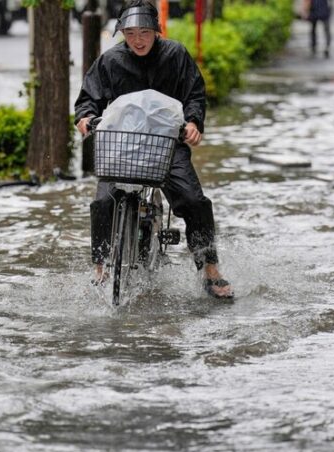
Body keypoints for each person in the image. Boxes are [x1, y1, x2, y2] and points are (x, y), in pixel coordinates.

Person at [74, 0, 233, 299]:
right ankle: (100, 267)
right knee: (103, 201)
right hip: (122, 145)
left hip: (166, 144)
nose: (138, 39)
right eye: (130, 33)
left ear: (156, 31)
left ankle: (210, 268)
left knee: (194, 200)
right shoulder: (110, 60)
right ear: (122, 33)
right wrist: (85, 117)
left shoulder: (176, 55)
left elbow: (194, 94)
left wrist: (193, 122)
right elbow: (88, 99)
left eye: (144, 32)